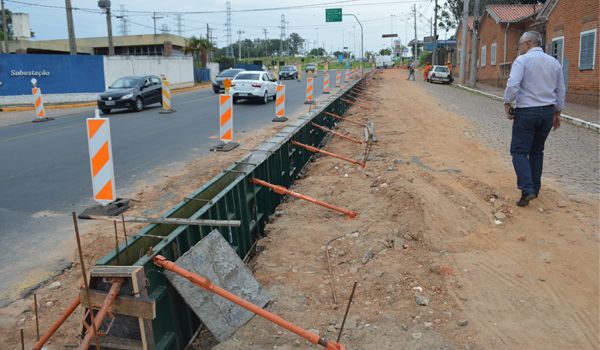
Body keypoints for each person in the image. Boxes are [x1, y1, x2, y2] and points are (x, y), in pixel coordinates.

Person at [503, 31, 565, 207]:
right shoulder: (554, 63)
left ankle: (527, 189)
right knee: (537, 151)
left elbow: (513, 84)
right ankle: (534, 190)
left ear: (528, 44)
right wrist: (558, 113)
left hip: (527, 112)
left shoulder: (522, 61)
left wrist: (507, 102)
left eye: (521, 45)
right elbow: (560, 89)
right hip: (547, 113)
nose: (520, 48)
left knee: (519, 151)